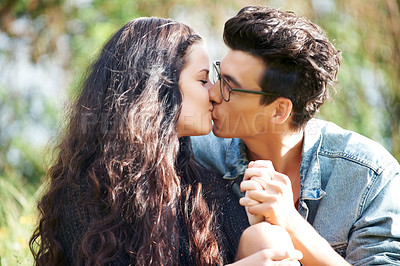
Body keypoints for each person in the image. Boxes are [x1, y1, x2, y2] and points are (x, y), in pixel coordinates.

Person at [29, 17, 302, 265]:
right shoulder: (92, 190)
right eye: (203, 79)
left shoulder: (202, 186)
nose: (214, 93)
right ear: (159, 91)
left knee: (267, 241)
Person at [191, 6, 400, 266]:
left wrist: (289, 221)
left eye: (229, 87)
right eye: (217, 76)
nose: (212, 93)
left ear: (279, 110)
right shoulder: (197, 157)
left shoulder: (367, 177)